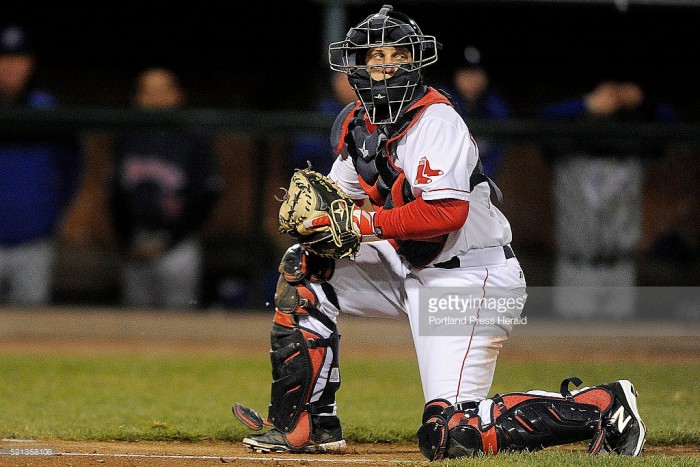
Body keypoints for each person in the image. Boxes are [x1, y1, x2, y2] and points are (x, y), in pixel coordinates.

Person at [239, 5, 646, 459]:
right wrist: (317, 220)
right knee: (306, 265)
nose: (386, 65)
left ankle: (603, 406)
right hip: (411, 265)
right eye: (374, 58)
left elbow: (445, 213)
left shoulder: (436, 120)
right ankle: (306, 424)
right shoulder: (357, 124)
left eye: (396, 55)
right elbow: (339, 196)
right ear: (355, 68)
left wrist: (365, 223)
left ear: (415, 62)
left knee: (452, 433)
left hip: (470, 279)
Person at [539, 81, 677, 318]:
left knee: (623, 349)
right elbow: (541, 119)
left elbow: (673, 126)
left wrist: (642, 100)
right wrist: (585, 103)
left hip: (620, 269)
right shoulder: (565, 149)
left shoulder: (634, 149)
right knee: (572, 349)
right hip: (577, 267)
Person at [107, 67, 224, 309]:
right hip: (134, 245)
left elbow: (206, 196)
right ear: (136, 98)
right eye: (147, 92)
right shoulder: (127, 136)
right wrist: (127, 238)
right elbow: (115, 194)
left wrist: (170, 240)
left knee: (178, 324)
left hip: (178, 247)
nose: (155, 98)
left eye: (162, 91)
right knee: (133, 325)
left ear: (177, 95)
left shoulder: (194, 137)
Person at [0, 24, 82, 306]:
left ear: (29, 64)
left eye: (17, 59)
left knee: (30, 334)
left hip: (33, 245)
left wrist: (51, 218)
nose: (10, 67)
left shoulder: (47, 109)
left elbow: (71, 170)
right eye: (3, 58)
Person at [442, 45, 512, 180]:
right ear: (454, 76)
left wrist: (481, 181)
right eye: (466, 73)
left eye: (477, 73)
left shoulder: (495, 108)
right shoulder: (441, 105)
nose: (472, 80)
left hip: (481, 185)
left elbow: (497, 154)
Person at [288, 71, 357, 175]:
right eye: (345, 78)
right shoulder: (323, 111)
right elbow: (300, 153)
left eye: (357, 77)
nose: (350, 85)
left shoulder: (377, 113)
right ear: (334, 81)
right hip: (323, 180)